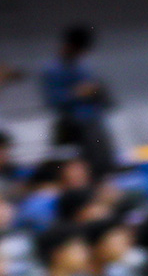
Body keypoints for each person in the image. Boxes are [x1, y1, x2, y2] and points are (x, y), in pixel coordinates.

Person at [41, 25, 116, 173]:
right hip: (74, 126)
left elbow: (103, 95)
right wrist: (76, 93)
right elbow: (52, 101)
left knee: (105, 161)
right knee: (85, 166)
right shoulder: (52, 70)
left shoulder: (83, 67)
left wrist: (97, 91)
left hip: (94, 121)